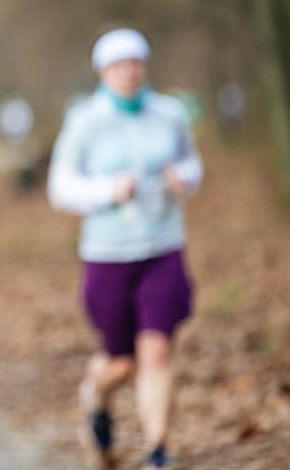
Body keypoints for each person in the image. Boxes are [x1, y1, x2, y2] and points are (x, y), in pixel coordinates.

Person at [47, 28, 202, 470]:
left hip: (162, 248)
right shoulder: (85, 120)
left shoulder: (169, 113)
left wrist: (185, 178)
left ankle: (158, 451)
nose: (128, 72)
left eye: (135, 64)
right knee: (121, 361)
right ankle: (96, 395)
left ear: (145, 67)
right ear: (103, 72)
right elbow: (60, 187)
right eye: (118, 66)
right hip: (107, 255)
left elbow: (192, 161)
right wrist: (107, 191)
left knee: (157, 350)